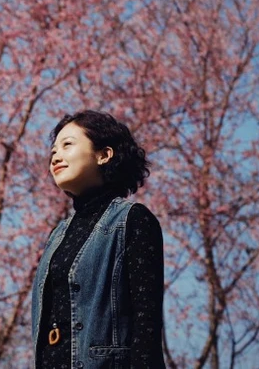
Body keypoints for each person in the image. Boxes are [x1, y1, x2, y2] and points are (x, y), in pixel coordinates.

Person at [31, 110, 166, 368]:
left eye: (67, 145)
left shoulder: (132, 220)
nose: (55, 156)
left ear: (104, 154)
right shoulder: (57, 236)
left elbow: (146, 324)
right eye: (53, 151)